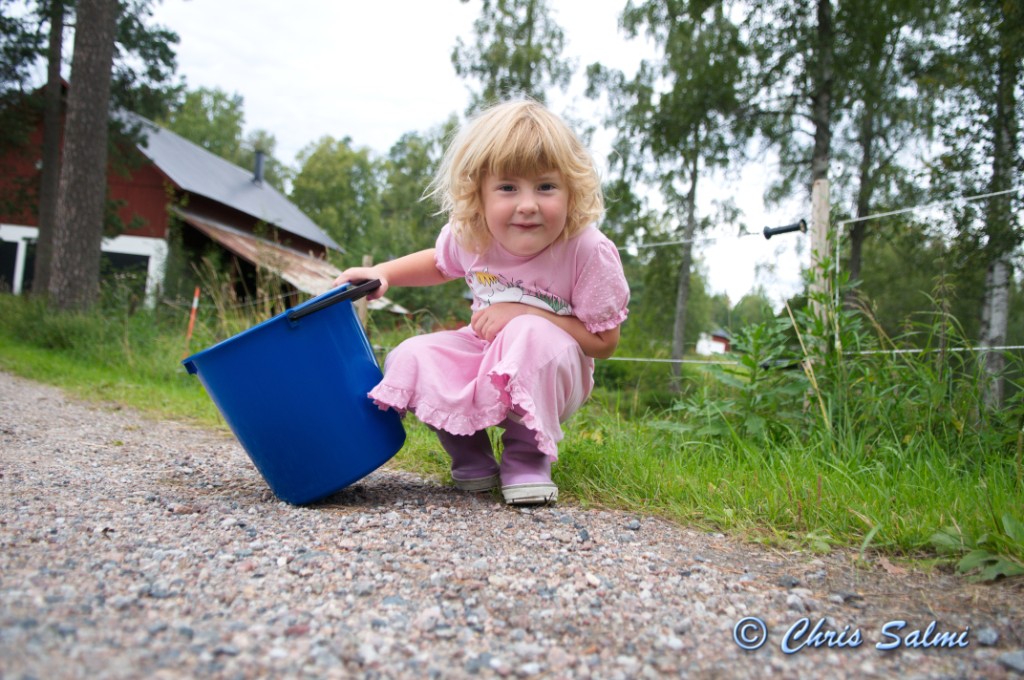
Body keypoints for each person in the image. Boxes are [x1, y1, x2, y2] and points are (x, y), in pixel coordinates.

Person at [334, 99, 629, 505]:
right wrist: (383, 272)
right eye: (508, 187)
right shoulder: (475, 235)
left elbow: (605, 343)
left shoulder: (587, 250)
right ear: (480, 194)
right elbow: (439, 264)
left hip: (556, 371)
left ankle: (527, 457)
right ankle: (470, 452)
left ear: (571, 190)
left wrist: (525, 313)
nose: (527, 204)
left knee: (528, 332)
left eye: (545, 186)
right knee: (412, 354)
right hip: (484, 354)